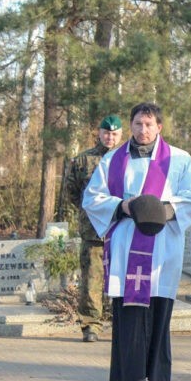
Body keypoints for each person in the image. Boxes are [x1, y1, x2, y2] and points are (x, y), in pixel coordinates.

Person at [82, 102, 191, 381]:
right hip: (127, 244)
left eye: (149, 124)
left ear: (159, 127)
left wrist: (163, 210)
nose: (143, 129)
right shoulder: (113, 160)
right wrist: (123, 206)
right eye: (138, 123)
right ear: (131, 125)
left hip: (162, 246)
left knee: (160, 315)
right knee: (130, 315)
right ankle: (131, 380)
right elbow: (92, 198)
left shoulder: (179, 160)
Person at [63, 114, 123, 343]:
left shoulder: (127, 160)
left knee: (120, 279)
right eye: (106, 133)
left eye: (115, 133)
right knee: (92, 280)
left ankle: (121, 325)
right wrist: (93, 213)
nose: (110, 137)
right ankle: (91, 326)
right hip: (93, 231)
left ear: (121, 135)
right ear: (99, 133)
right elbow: (72, 193)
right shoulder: (82, 161)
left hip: (121, 229)